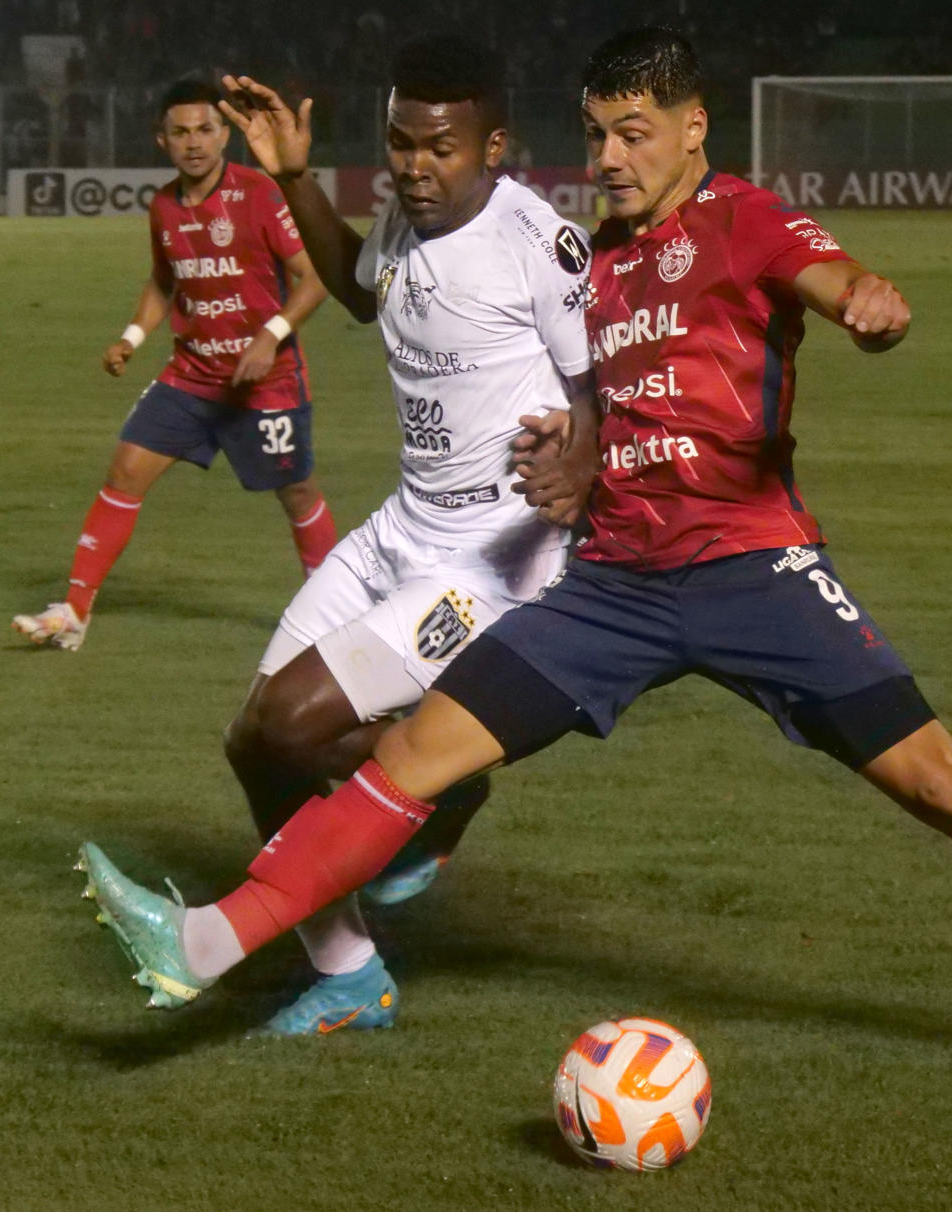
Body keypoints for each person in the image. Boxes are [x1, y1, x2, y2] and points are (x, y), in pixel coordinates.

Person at [77, 28, 952, 1080]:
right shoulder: (607, 259)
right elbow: (593, 396)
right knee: (410, 754)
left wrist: (867, 302)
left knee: (944, 784)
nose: (609, 157)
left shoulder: (738, 217)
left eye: (634, 134)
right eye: (597, 134)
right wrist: (579, 453)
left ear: (693, 129)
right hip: (613, 588)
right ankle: (204, 947)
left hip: (756, 574)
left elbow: (831, 274)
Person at [208, 38, 595, 1034]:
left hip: (494, 559)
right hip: (401, 528)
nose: (415, 168)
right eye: (399, 145)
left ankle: (443, 778)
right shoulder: (407, 219)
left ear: (493, 147)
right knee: (255, 741)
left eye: (440, 149)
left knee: (296, 725)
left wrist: (584, 459)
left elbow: (610, 387)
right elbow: (363, 293)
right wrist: (294, 180)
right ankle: (349, 975)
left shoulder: (541, 246)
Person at [12, 80, 335, 651]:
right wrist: (131, 337)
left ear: (225, 134)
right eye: (181, 132)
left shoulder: (258, 193)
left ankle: (336, 611)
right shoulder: (163, 206)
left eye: (205, 130)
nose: (194, 143)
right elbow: (165, 281)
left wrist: (270, 337)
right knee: (125, 472)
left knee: (298, 494)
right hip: (191, 378)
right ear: (163, 140)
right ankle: (75, 611)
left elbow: (314, 279)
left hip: (266, 384)